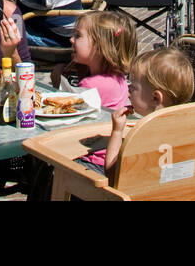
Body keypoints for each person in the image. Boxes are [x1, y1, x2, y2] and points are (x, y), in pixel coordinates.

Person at [50, 12, 136, 170]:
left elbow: (64, 114)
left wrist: (57, 80)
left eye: (78, 36)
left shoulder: (93, 85)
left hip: (93, 158)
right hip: (106, 152)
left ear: (99, 47)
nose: (71, 40)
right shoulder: (117, 77)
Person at [104, 47, 194, 176]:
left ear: (155, 98)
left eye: (133, 88)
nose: (128, 94)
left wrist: (117, 131)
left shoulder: (144, 135)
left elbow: (111, 173)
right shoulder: (192, 128)